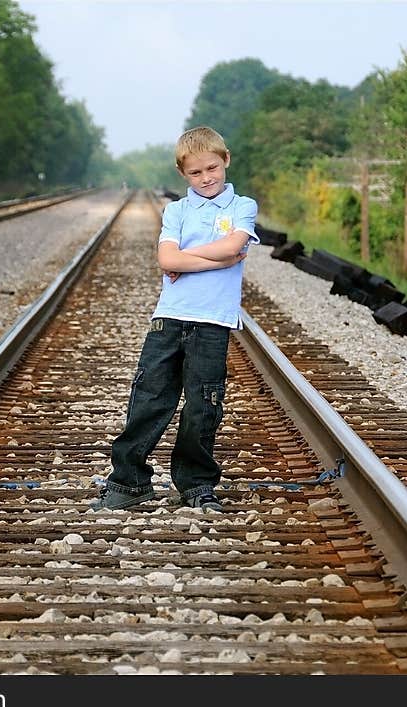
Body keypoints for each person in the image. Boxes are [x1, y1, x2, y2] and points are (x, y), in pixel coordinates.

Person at [92, 126, 259, 513]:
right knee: (149, 398)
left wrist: (192, 259)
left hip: (213, 321)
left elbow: (235, 245)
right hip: (168, 318)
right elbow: (167, 260)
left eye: (212, 168)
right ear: (183, 174)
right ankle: (128, 482)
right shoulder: (177, 210)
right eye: (196, 173)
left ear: (226, 160)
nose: (206, 178)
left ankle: (196, 484)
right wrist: (217, 259)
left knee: (203, 404)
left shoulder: (242, 207)